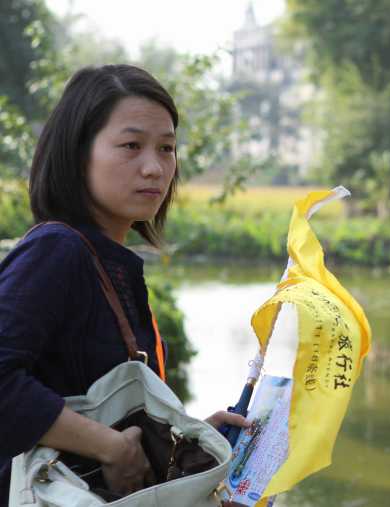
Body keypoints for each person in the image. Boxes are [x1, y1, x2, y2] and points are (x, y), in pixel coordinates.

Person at [0, 64, 248, 505]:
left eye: (167, 148)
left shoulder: (115, 267)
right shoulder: (57, 252)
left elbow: (103, 408)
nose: (154, 167)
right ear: (79, 154)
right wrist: (109, 446)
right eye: (131, 145)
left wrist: (179, 439)